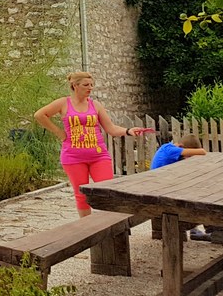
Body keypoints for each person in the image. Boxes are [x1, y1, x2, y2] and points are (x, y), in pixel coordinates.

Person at [35, 71, 147, 217]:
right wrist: (59, 133)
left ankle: (108, 226)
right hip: (73, 157)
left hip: (98, 155)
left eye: (92, 85)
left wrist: (128, 130)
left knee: (107, 192)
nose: (90, 88)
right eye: (86, 85)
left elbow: (111, 129)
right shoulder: (63, 103)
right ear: (75, 85)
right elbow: (39, 115)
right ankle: (87, 230)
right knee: (81, 195)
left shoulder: (95, 105)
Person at [151, 133, 212, 241]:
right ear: (181, 147)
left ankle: (196, 229)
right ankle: (212, 229)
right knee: (203, 194)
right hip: (159, 190)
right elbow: (202, 152)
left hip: (163, 186)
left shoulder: (168, 149)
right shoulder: (171, 150)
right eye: (188, 155)